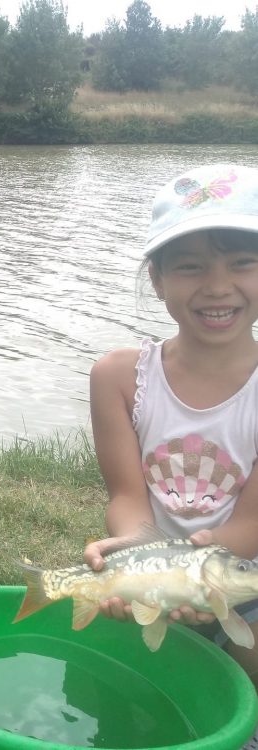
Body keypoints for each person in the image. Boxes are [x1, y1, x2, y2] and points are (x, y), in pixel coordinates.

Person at [84, 163, 258, 743]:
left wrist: (200, 579)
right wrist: (138, 557)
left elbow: (252, 520)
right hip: (150, 562)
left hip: (244, 570)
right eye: (190, 266)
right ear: (156, 278)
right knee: (101, 685)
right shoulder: (119, 377)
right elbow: (129, 497)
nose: (217, 285)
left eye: (242, 262)